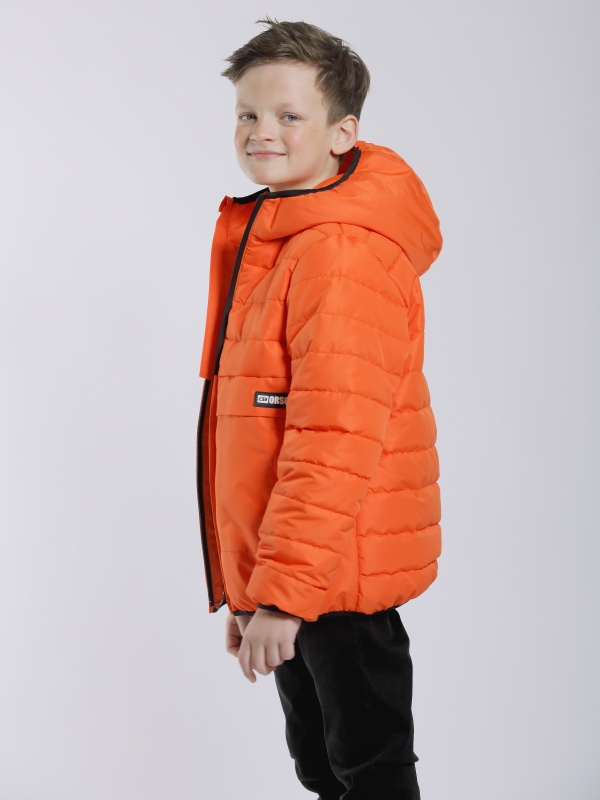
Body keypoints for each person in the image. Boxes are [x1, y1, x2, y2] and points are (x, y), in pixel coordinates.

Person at [196, 17, 443, 800]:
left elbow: (332, 440)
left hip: (334, 580)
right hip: (301, 579)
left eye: (288, 115)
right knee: (326, 770)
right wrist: (253, 590)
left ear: (344, 134)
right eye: (247, 113)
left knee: (367, 774)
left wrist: (282, 595)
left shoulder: (338, 252)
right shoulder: (284, 240)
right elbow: (264, 433)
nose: (261, 132)